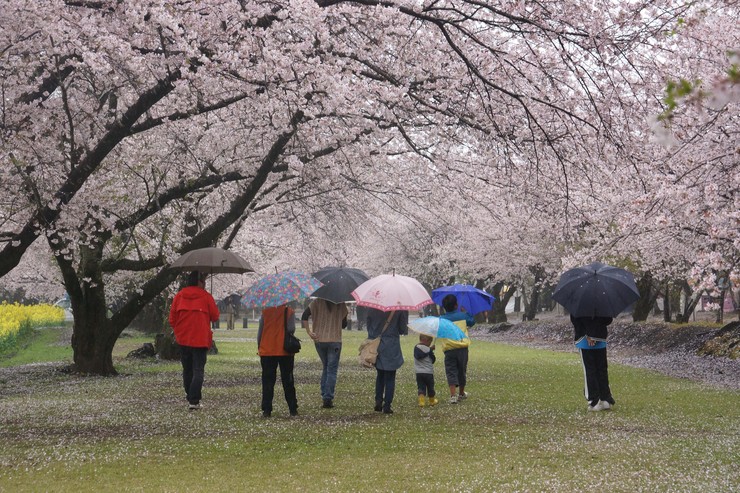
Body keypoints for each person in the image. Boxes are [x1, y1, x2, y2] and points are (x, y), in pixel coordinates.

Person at [169, 271, 220, 411]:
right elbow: (215, 316)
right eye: (203, 281)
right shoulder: (206, 296)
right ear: (199, 282)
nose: (204, 284)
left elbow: (172, 319)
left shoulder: (179, 296)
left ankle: (190, 397)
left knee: (187, 369)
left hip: (183, 339)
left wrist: (180, 330)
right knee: (198, 370)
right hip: (201, 339)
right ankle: (194, 400)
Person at [301, 299, 349, 409]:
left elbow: (304, 315)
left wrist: (309, 331)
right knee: (331, 369)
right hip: (334, 340)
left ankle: (324, 394)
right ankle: (328, 397)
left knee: (326, 367)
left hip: (319, 340)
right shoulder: (340, 303)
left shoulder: (316, 302)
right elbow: (344, 325)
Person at [257, 304, 299, 417]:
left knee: (267, 381)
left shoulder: (265, 312)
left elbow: (260, 332)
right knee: (288, 380)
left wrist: (259, 347)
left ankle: (267, 409)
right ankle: (292, 408)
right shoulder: (289, 311)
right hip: (284, 351)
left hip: (267, 349)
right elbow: (291, 329)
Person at [366, 307, 408, 414]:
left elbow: (369, 326)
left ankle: (378, 401)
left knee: (380, 374)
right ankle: (387, 405)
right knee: (390, 376)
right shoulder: (398, 308)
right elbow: (403, 329)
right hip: (391, 344)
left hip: (377, 344)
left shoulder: (373, 307)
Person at [571, 315, 615, 411]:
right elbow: (608, 319)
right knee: (602, 369)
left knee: (589, 370)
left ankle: (593, 400)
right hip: (600, 338)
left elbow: (576, 320)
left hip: (585, 340)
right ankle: (605, 399)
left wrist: (589, 335)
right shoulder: (603, 303)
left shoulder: (580, 303)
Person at [439, 294, 474, 404]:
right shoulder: (463, 316)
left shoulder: (442, 319)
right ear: (456, 305)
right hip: (462, 348)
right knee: (461, 370)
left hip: (449, 349)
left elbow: (438, 331)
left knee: (451, 371)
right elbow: (472, 321)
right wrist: (466, 312)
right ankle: (461, 393)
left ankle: (453, 395)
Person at [414, 334, 438, 407]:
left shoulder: (416, 347)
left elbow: (418, 356)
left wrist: (430, 349)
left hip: (419, 372)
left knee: (421, 386)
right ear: (426, 341)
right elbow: (433, 360)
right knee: (430, 387)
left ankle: (421, 401)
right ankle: (432, 401)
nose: (430, 344)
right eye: (430, 342)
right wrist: (431, 350)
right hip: (428, 372)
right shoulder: (429, 349)